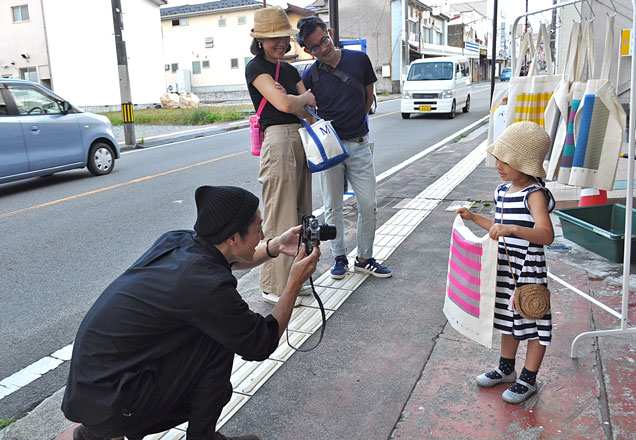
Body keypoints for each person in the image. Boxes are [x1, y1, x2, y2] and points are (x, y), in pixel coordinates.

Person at [62, 186, 320, 440]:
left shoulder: (179, 241)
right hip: (114, 401)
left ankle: (96, 432)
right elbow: (261, 342)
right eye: (257, 229)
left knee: (212, 329)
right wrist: (294, 282)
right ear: (232, 238)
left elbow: (231, 259)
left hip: (93, 388)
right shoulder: (206, 286)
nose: (262, 234)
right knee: (220, 338)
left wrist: (276, 246)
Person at [455, 121, 555, 404]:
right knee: (508, 320)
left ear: (526, 164)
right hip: (506, 268)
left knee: (534, 320)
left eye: (507, 161)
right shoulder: (502, 192)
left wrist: (513, 230)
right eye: (498, 158)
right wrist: (474, 218)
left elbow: (546, 235)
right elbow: (498, 227)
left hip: (528, 270)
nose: (499, 165)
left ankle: (528, 378)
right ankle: (506, 368)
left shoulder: (534, 194)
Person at [296, 16, 391, 280]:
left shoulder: (358, 60)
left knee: (368, 203)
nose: (322, 49)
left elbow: (368, 94)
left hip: (359, 144)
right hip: (331, 151)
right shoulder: (310, 74)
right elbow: (304, 108)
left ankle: (365, 258)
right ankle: (339, 256)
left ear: (329, 33)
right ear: (307, 50)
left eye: (324, 41)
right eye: (315, 47)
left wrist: (356, 123)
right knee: (332, 206)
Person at [245, 6, 316, 306]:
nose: (280, 43)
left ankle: (295, 280)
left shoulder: (289, 70)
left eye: (284, 37)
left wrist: (294, 100)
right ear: (260, 40)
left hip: (301, 137)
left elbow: (309, 110)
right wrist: (296, 99)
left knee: (302, 214)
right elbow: (288, 105)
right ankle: (273, 286)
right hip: (278, 139)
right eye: (273, 38)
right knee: (279, 215)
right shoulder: (255, 67)